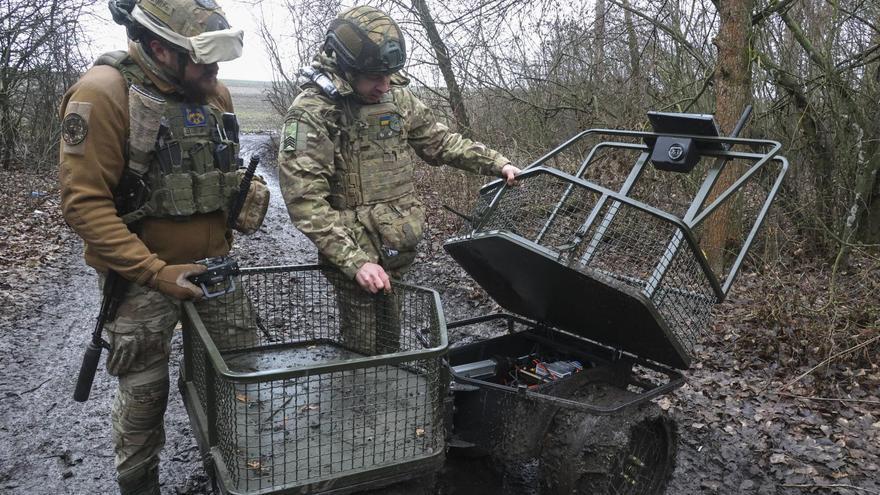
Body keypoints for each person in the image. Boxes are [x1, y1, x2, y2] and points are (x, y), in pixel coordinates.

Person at [59, 0, 266, 492]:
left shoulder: (213, 94)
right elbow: (83, 206)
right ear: (159, 48)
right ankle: (140, 484)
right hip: (140, 281)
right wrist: (154, 271)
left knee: (238, 379)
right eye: (204, 61)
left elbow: (217, 170)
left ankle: (236, 473)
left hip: (217, 272)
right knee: (143, 396)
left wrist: (240, 195)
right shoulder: (104, 93)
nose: (215, 73)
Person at [278, 5, 520, 353]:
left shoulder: (396, 97)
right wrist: (355, 262)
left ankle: (388, 389)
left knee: (391, 338)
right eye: (376, 76)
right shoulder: (311, 114)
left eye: (390, 74)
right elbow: (305, 202)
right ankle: (364, 398)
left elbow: (440, 141)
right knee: (363, 349)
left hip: (397, 243)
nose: (385, 84)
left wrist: (497, 164)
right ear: (348, 69)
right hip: (353, 251)